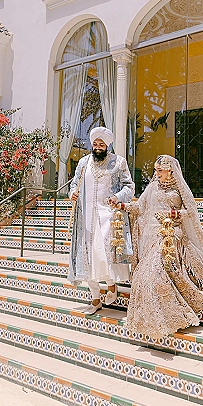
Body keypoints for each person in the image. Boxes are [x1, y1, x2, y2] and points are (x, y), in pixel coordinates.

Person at [112, 154, 203, 341]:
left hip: (172, 232)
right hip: (151, 235)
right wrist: (122, 205)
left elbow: (191, 211)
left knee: (155, 271)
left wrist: (175, 213)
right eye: (156, 170)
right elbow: (140, 208)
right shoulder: (152, 187)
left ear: (170, 170)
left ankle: (170, 315)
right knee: (144, 274)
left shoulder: (179, 188)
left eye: (160, 170)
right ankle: (155, 318)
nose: (157, 174)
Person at [67, 126, 135, 315]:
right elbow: (74, 183)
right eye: (95, 143)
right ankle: (95, 299)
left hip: (109, 217)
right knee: (88, 259)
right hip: (86, 218)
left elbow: (129, 187)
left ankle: (112, 284)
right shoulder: (83, 163)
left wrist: (118, 197)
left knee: (104, 256)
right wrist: (73, 193)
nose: (97, 147)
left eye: (101, 144)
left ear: (107, 145)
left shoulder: (118, 162)